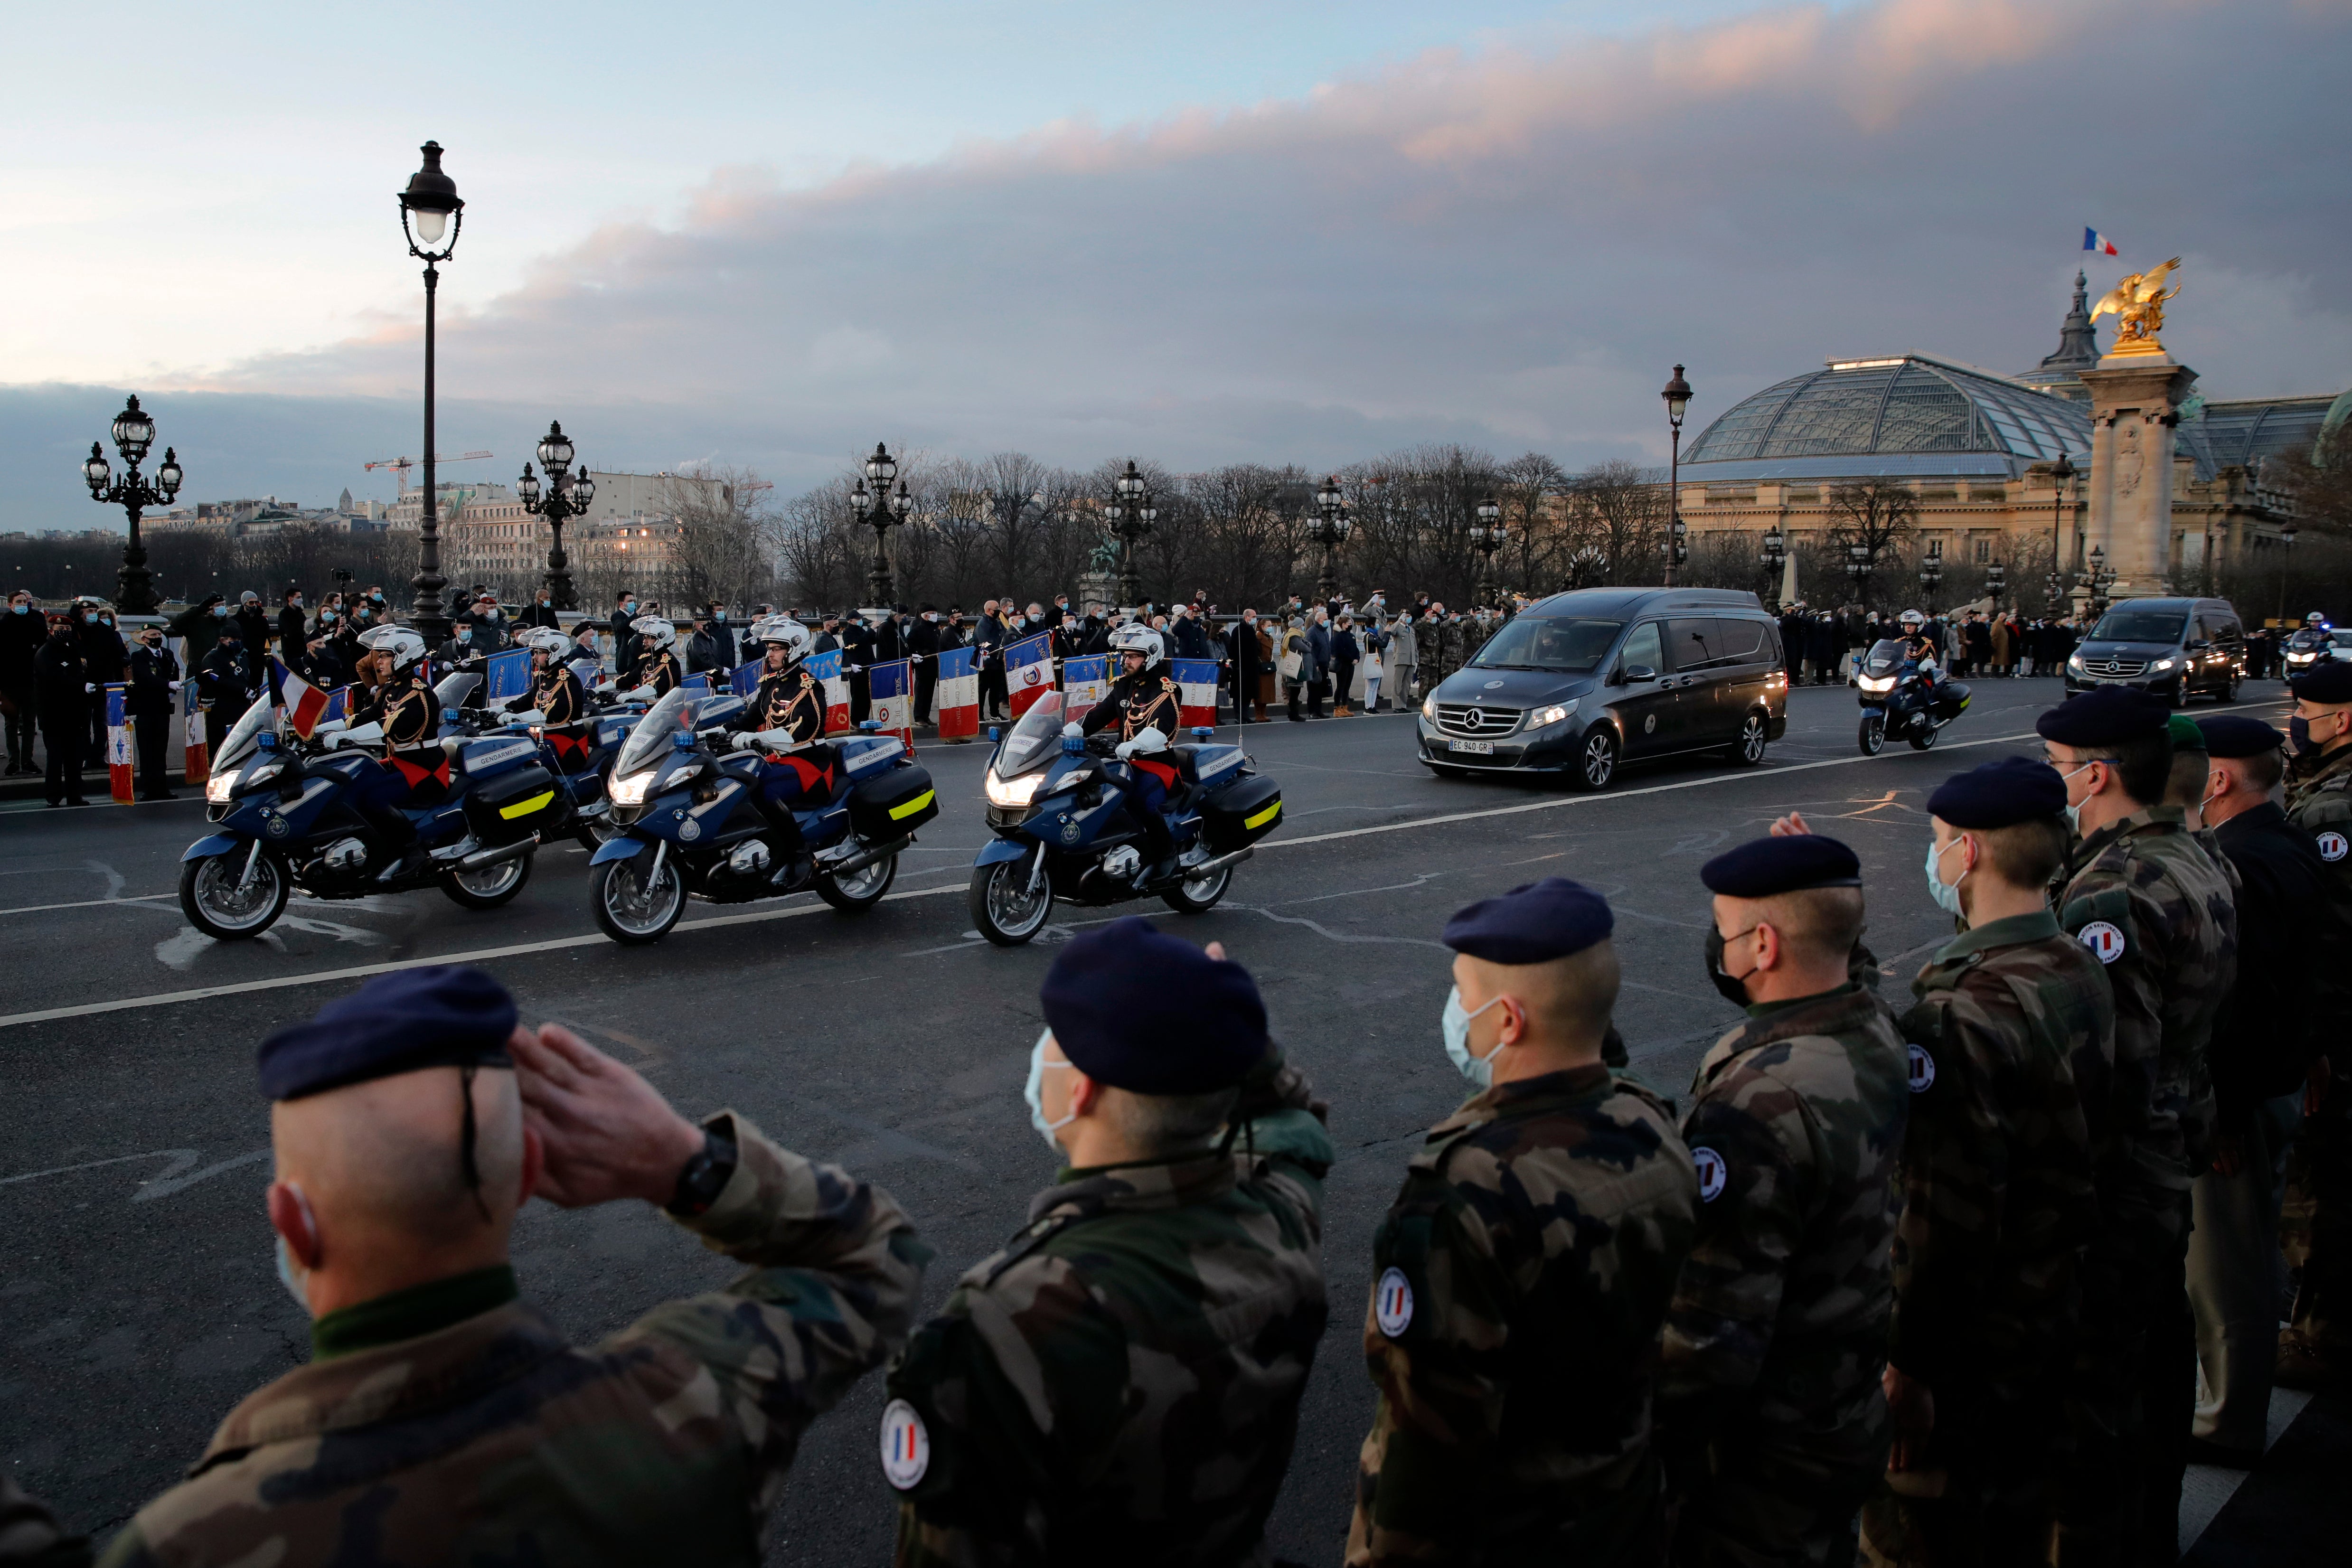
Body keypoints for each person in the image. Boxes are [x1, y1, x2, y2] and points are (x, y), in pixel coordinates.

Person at [95, 966, 923, 1568]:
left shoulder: (189, 1540)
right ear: (529, 1173)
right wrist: (679, 1160)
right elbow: (871, 1254)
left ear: (291, 1221)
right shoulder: (687, 1408)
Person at [886, 919, 1329, 1566]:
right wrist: (1225, 1032)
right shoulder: (1276, 1219)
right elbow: (1297, 1128)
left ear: (1082, 1088)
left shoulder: (1012, 1314)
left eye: (1055, 1042)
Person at [1348, 880, 1696, 1566]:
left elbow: (1426, 1449)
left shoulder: (1464, 1189)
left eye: (1460, 991)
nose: (1454, 1009)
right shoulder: (1653, 1125)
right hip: (1623, 1514)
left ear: (1506, 1020)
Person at [1854, 761, 2106, 1565]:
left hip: (1971, 1343)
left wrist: (1909, 1363)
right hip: (2049, 1303)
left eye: (1936, 843)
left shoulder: (1961, 1005)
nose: (1933, 860)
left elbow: (1940, 1209)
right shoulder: (2072, 961)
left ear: (1966, 854)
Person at [1658, 834, 1908, 1567]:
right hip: (1843, 1411)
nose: (1718, 945)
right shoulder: (1874, 1030)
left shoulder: (1757, 1101)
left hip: (1763, 1462)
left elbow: (1708, 1338)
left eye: (1725, 929)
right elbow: (1847, 975)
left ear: (1761, 945)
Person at [2037, 685, 2236, 1561]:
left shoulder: (2114, 891)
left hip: (2120, 1176)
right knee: (2154, 1364)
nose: (2054, 786)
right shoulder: (2195, 853)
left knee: (2096, 1398)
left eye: (2057, 771)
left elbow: (2102, 1066)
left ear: (2096, 775)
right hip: (2174, 1141)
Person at [2181, 715, 2337, 1459]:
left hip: (2241, 1097)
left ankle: (2226, 1418)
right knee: (2240, 1253)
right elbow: (2314, 964)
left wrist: (2225, 1113)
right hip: (2278, 1078)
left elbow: (2242, 1001)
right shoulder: (2290, 841)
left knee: (2226, 1270)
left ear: (2217, 780)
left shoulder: (2239, 861)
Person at [2279, 661, 2352, 1391]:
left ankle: (2320, 1336)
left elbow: (2324, 940)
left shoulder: (2334, 810)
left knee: (2322, 1190)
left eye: (2305, 707)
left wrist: (2313, 1044)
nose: (2296, 719)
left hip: (2340, 1031)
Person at [1079, 624, 1189, 874]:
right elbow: (1098, 716)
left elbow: (1165, 728)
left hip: (1156, 766)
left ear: (1151, 657)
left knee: (1141, 802)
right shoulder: (1123, 686)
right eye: (1124, 656)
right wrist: (1069, 732)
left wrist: (1137, 745)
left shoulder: (1166, 689)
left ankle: (1168, 855)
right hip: (1123, 765)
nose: (1125, 661)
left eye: (1133, 656)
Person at [33, 613, 92, 808]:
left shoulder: (75, 648)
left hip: (76, 713)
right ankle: (54, 796)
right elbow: (55, 679)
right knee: (56, 759)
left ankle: (75, 795)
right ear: (51, 631)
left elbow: (85, 669)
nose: (65, 633)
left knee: (75, 759)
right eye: (60, 631)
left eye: (68, 630)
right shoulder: (46, 653)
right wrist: (81, 686)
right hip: (55, 714)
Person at [124, 623, 183, 801]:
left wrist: (172, 690)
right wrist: (167, 685)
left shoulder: (167, 654)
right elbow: (145, 677)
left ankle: (162, 788)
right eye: (153, 635)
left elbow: (174, 672)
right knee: (147, 749)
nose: (157, 637)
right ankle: (149, 789)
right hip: (145, 707)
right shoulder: (138, 656)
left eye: (159, 634)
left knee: (160, 749)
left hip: (162, 707)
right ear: (144, 639)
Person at [2, 587, 46, 776]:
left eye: (24, 602)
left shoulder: (35, 622)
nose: (23, 605)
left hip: (31, 681)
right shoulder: (4, 625)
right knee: (11, 723)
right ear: (10, 605)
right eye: (18, 602)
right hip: (10, 682)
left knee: (29, 723)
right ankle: (14, 760)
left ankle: (27, 760)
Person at [632, 615, 684, 698]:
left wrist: (631, 695)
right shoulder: (647, 659)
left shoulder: (670, 663)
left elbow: (657, 687)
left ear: (661, 639)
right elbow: (631, 677)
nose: (645, 641)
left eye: (649, 638)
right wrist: (606, 687)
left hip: (664, 709)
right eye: (645, 638)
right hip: (648, 708)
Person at [684, 604, 738, 679]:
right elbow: (704, 663)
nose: (711, 626)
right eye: (708, 624)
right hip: (700, 681)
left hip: (714, 679)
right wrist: (721, 670)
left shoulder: (712, 640)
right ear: (699, 626)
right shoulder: (696, 642)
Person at [608, 589, 643, 685]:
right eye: (630, 601)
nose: (633, 604)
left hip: (638, 656)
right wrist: (638, 612)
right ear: (621, 604)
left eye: (633, 601)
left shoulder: (637, 616)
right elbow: (621, 626)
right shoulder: (616, 616)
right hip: (625, 658)